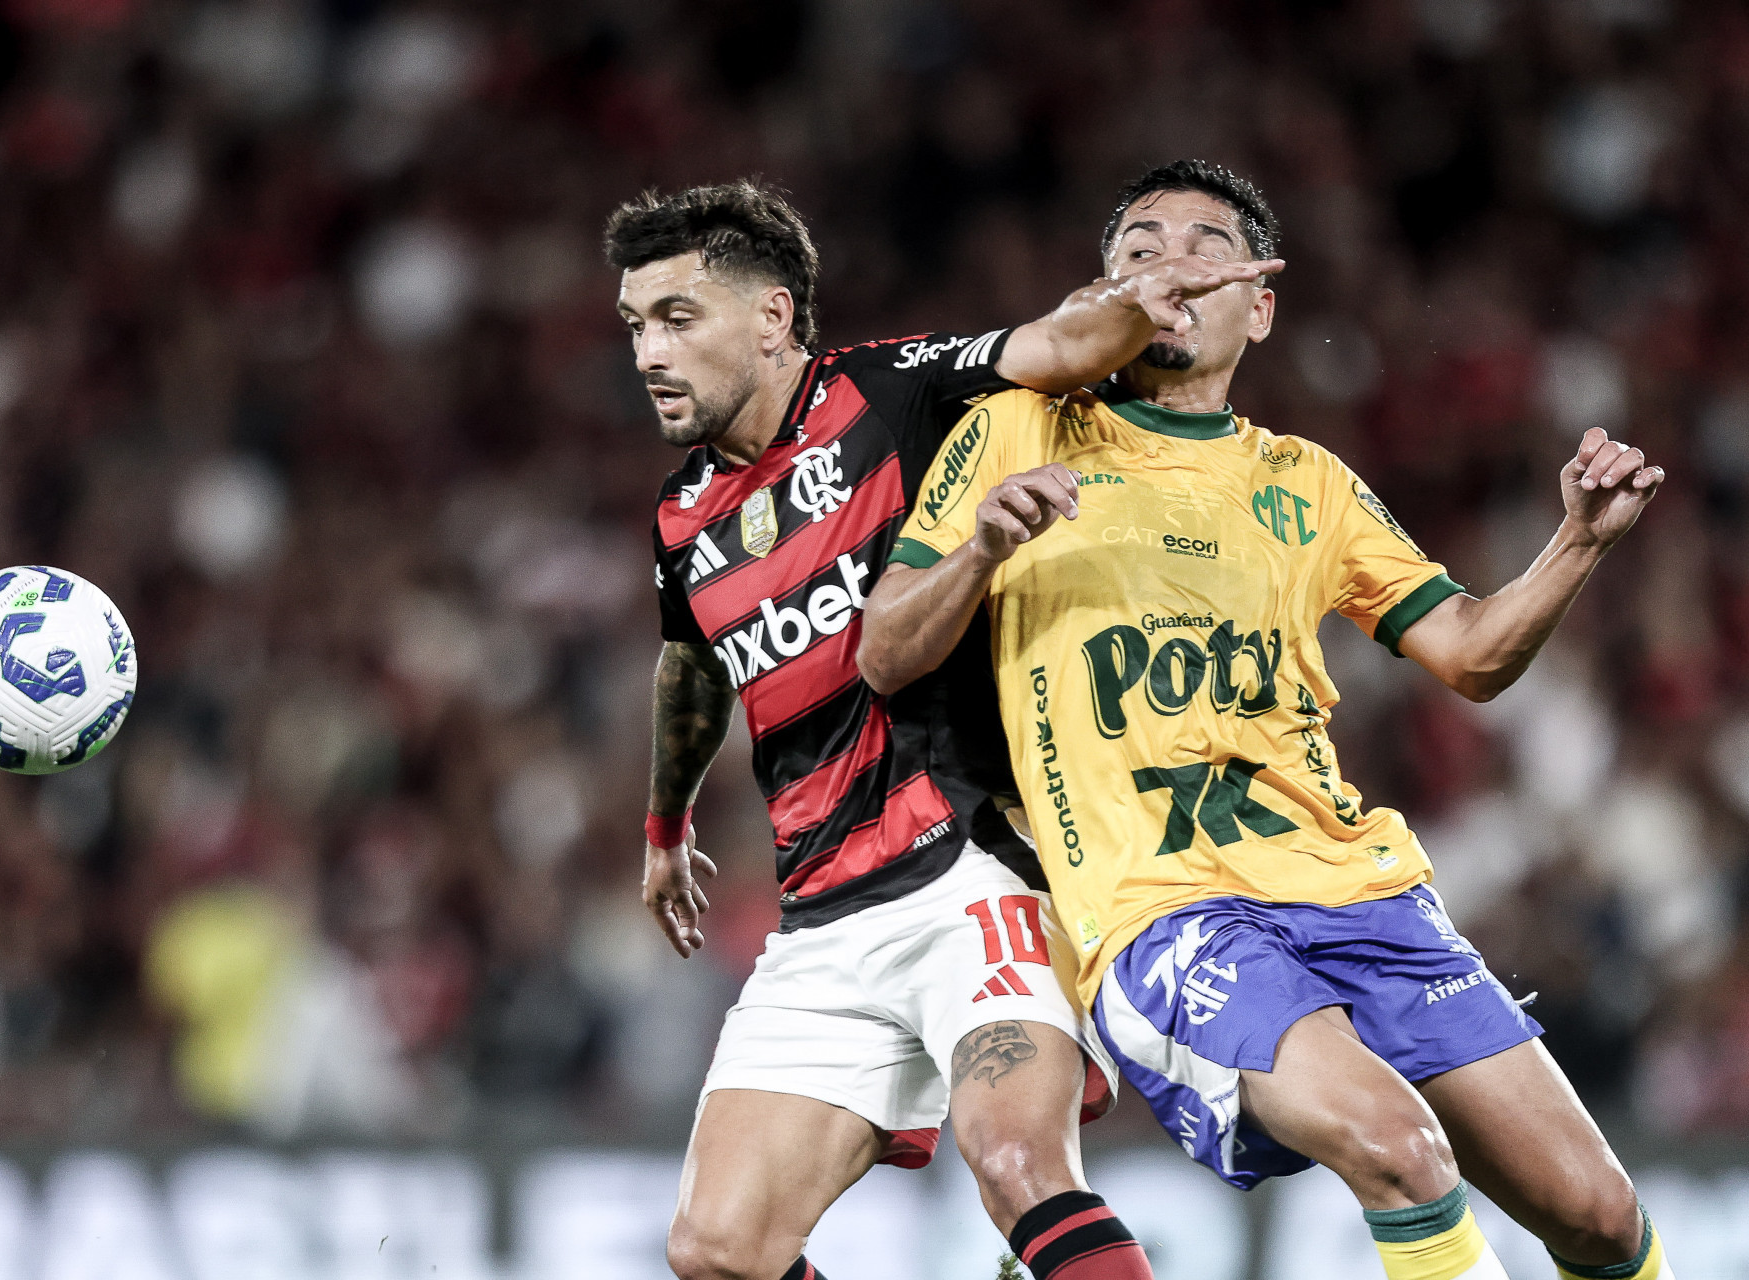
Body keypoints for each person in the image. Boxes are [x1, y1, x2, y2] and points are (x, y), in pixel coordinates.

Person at [858, 159, 1676, 1280]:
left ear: (1262, 302)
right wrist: (983, 546)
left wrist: (1577, 541)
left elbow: (1475, 655)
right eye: (1136, 251)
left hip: (1355, 883)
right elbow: (885, 649)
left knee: (1596, 1211)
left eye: (1203, 245)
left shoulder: (1311, 483)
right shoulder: (1018, 431)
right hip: (1165, 905)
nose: (1169, 268)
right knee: (1398, 1147)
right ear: (1101, 296)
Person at [612, 179, 1281, 1280]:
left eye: (677, 319)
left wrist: (1136, 297)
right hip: (824, 914)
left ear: (773, 317)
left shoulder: (889, 393)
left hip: (974, 869)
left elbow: (1057, 342)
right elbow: (691, 660)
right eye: (636, 324)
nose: (648, 351)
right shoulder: (683, 515)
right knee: (719, 1246)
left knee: (1018, 1158)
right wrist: (663, 821)